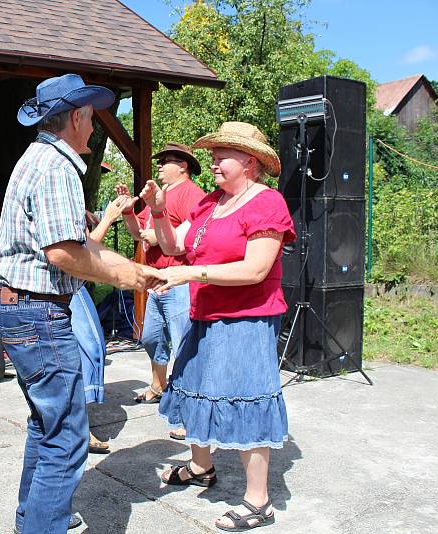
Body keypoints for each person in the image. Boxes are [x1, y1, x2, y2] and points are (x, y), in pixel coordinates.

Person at [0, 73, 163, 534]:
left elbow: (77, 246)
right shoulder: (57, 166)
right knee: (68, 440)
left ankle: (34, 522)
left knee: (47, 427)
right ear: (75, 117)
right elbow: (65, 254)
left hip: (21, 309)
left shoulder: (40, 158)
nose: (95, 128)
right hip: (38, 314)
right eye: (92, 118)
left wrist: (132, 267)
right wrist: (131, 275)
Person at [144, 122, 295, 532]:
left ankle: (258, 501)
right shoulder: (210, 203)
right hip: (204, 314)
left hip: (247, 318)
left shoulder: (267, 203)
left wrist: (192, 273)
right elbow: (173, 245)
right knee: (192, 390)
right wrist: (157, 208)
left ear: (250, 162)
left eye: (222, 154)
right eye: (213, 153)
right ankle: (200, 467)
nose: (212, 161)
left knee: (247, 399)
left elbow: (257, 268)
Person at [118, 144, 205, 420]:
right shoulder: (161, 194)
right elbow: (139, 234)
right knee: (151, 338)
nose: (159, 165)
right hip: (156, 282)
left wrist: (163, 234)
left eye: (165, 161)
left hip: (179, 282)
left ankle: (188, 411)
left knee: (184, 348)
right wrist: (128, 212)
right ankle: (159, 385)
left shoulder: (193, 194)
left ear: (183, 166)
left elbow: (195, 233)